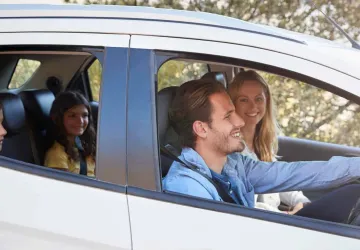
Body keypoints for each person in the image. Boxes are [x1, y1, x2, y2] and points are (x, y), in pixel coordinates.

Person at [162, 78, 360, 224]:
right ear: (201, 129)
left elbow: (294, 173)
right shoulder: (186, 189)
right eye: (228, 116)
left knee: (351, 194)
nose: (240, 121)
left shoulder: (235, 165)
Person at [228, 70, 310, 214]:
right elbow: (247, 205)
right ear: (233, 104)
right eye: (244, 100)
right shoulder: (232, 149)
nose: (253, 107)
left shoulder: (262, 143)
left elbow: (280, 180)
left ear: (267, 101)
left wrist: (302, 202)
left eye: (258, 99)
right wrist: (286, 217)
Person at [45, 91, 96, 177]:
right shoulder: (57, 155)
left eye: (84, 115)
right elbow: (65, 188)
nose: (80, 121)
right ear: (59, 119)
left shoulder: (84, 146)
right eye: (72, 116)